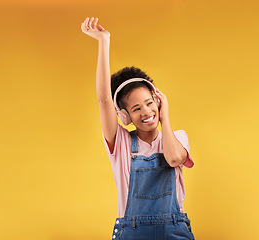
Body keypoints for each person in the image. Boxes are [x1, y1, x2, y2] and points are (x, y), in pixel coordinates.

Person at [81, 17, 195, 239]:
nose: (146, 112)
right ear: (125, 116)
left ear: (158, 102)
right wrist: (104, 41)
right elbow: (104, 99)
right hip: (132, 233)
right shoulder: (121, 143)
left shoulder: (177, 137)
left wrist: (166, 117)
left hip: (174, 231)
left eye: (149, 103)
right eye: (136, 108)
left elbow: (173, 159)